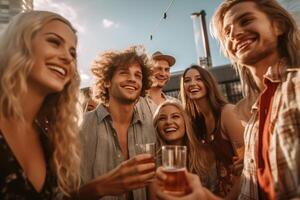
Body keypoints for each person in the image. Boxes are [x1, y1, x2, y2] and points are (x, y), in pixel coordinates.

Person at [157, 0, 300, 199]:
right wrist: (203, 195)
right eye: (227, 32)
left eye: (246, 20)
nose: (235, 34)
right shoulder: (255, 117)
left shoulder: (294, 89)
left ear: (278, 25)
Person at [0, 11, 81, 198]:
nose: (68, 58)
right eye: (54, 42)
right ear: (20, 44)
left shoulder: (51, 142)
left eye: (72, 52)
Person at [79, 45, 156, 200]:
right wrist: (101, 187)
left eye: (138, 75)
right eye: (123, 73)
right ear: (107, 81)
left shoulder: (150, 128)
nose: (132, 79)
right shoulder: (82, 127)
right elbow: (63, 194)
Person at [180, 65, 244, 198]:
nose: (192, 83)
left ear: (208, 83)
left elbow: (247, 165)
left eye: (199, 79)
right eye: (187, 80)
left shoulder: (227, 113)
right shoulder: (197, 124)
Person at [153, 100, 217, 191]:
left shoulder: (206, 155)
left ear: (185, 122)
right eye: (162, 118)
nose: (168, 122)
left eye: (175, 116)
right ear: (157, 127)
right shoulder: (154, 164)